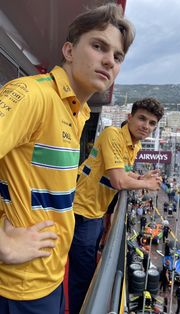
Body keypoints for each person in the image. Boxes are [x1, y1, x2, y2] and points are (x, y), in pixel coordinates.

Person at [0, 3, 135, 314]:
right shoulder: (33, 96)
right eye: (99, 46)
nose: (108, 61)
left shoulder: (77, 112)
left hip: (48, 278)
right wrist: (4, 245)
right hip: (19, 288)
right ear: (69, 50)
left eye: (117, 57)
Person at [69, 97, 164, 313]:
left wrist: (140, 178)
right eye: (142, 119)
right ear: (129, 117)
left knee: (85, 272)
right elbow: (118, 181)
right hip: (81, 212)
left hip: (94, 214)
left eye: (152, 123)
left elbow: (122, 172)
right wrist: (147, 184)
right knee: (82, 278)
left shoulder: (134, 144)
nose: (146, 126)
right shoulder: (112, 134)